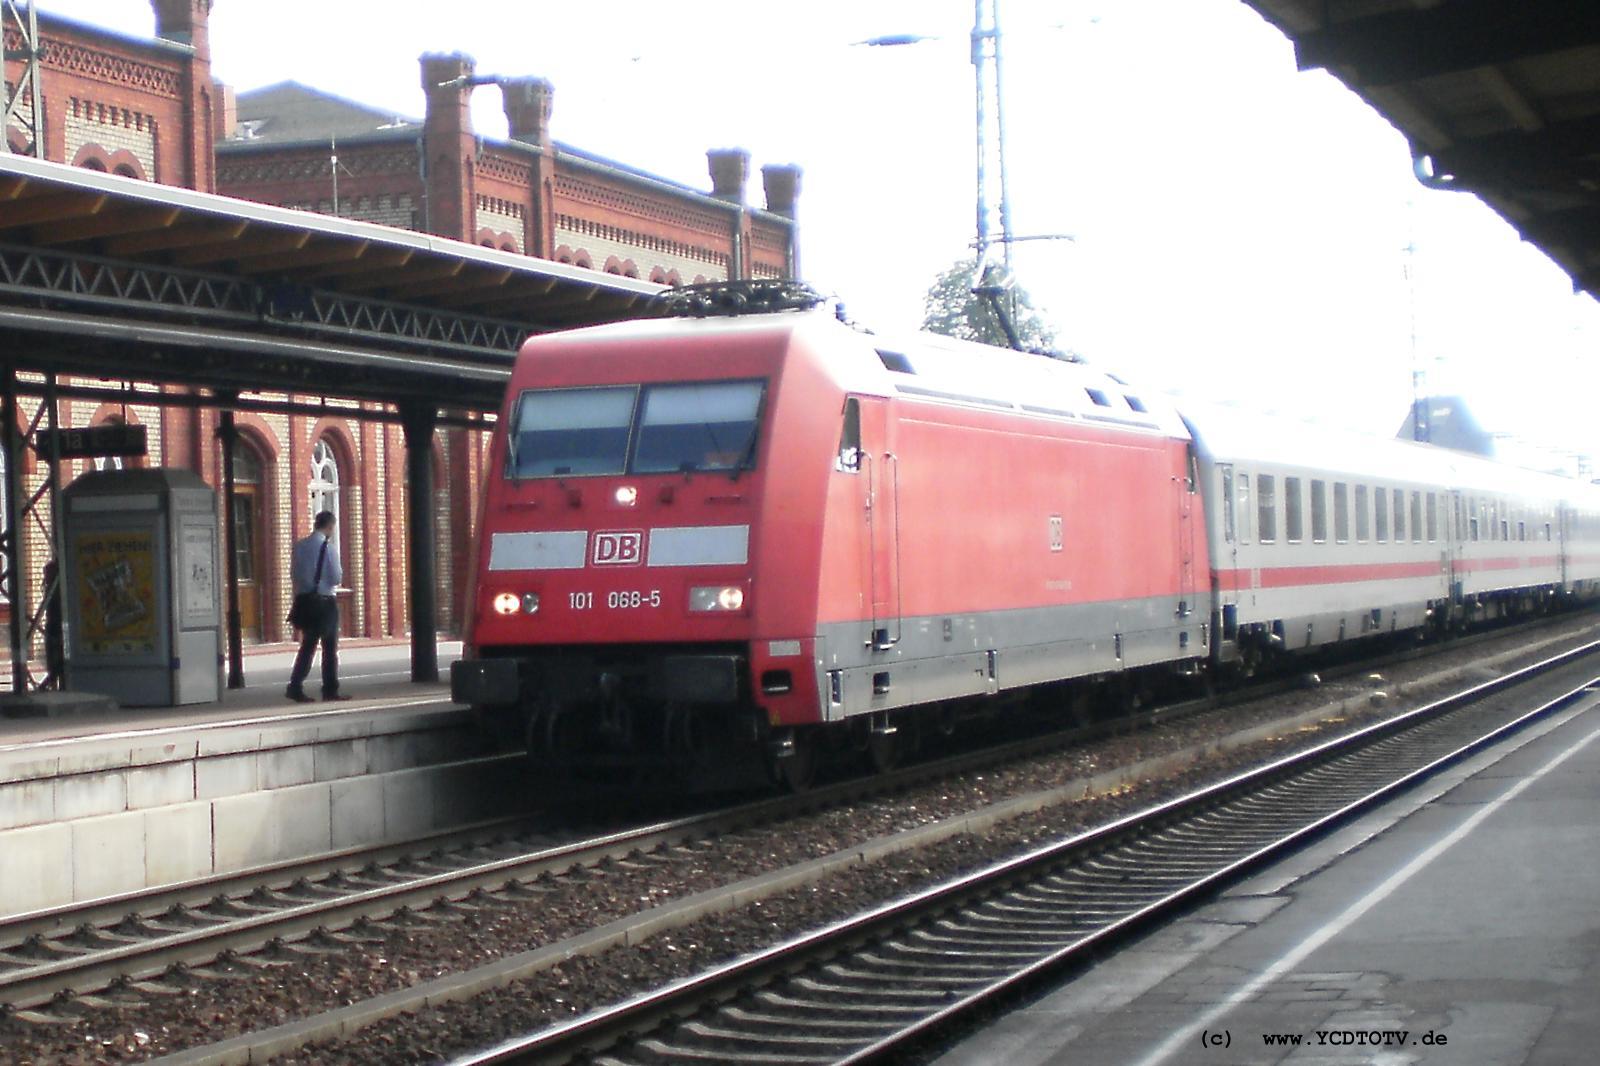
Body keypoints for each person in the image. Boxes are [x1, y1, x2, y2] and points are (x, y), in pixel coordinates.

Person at [287, 510, 350, 702]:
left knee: (307, 646)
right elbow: (336, 578)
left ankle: (295, 685)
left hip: (306, 601)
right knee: (330, 648)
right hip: (325, 602)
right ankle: (329, 689)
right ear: (330, 526)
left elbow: (294, 574)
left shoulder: (300, 546)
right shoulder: (328, 548)